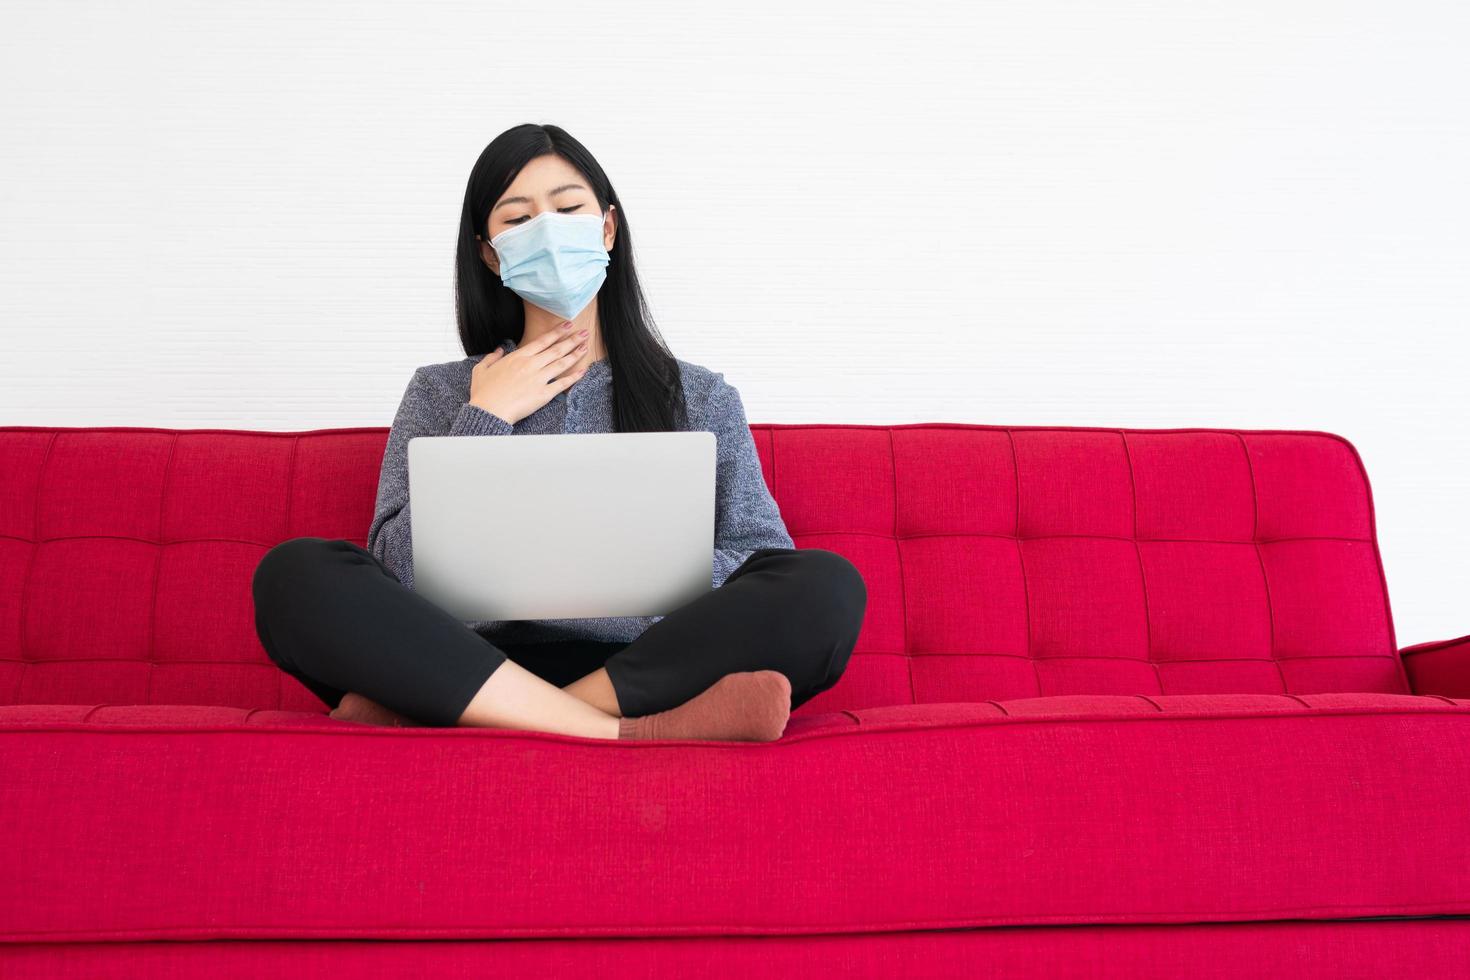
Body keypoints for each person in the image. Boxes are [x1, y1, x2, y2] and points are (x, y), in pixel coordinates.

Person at [251, 122, 866, 742]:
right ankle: (617, 733)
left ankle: (510, 716)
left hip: (647, 666)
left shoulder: (698, 395)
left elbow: (760, 558)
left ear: (606, 228)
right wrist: (484, 419)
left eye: (568, 208)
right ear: (489, 253)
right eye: (517, 219)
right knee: (296, 575)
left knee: (825, 587)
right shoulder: (440, 392)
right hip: (460, 662)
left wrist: (637, 568)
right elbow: (394, 575)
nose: (546, 231)